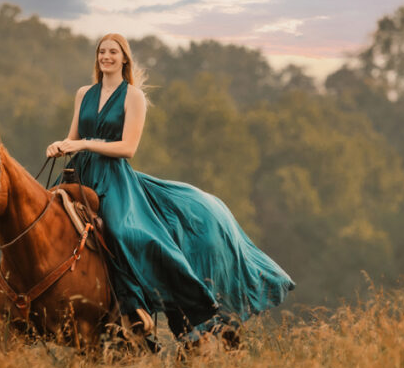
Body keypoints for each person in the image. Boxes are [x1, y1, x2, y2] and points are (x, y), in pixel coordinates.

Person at [46, 33, 294, 346]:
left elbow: (128, 148)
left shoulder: (132, 96)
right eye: (101, 51)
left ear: (124, 59)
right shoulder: (83, 93)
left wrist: (83, 143)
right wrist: (60, 146)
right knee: (48, 227)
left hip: (113, 178)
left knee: (123, 233)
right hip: (79, 173)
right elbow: (73, 135)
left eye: (113, 52)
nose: (106, 56)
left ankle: (133, 312)